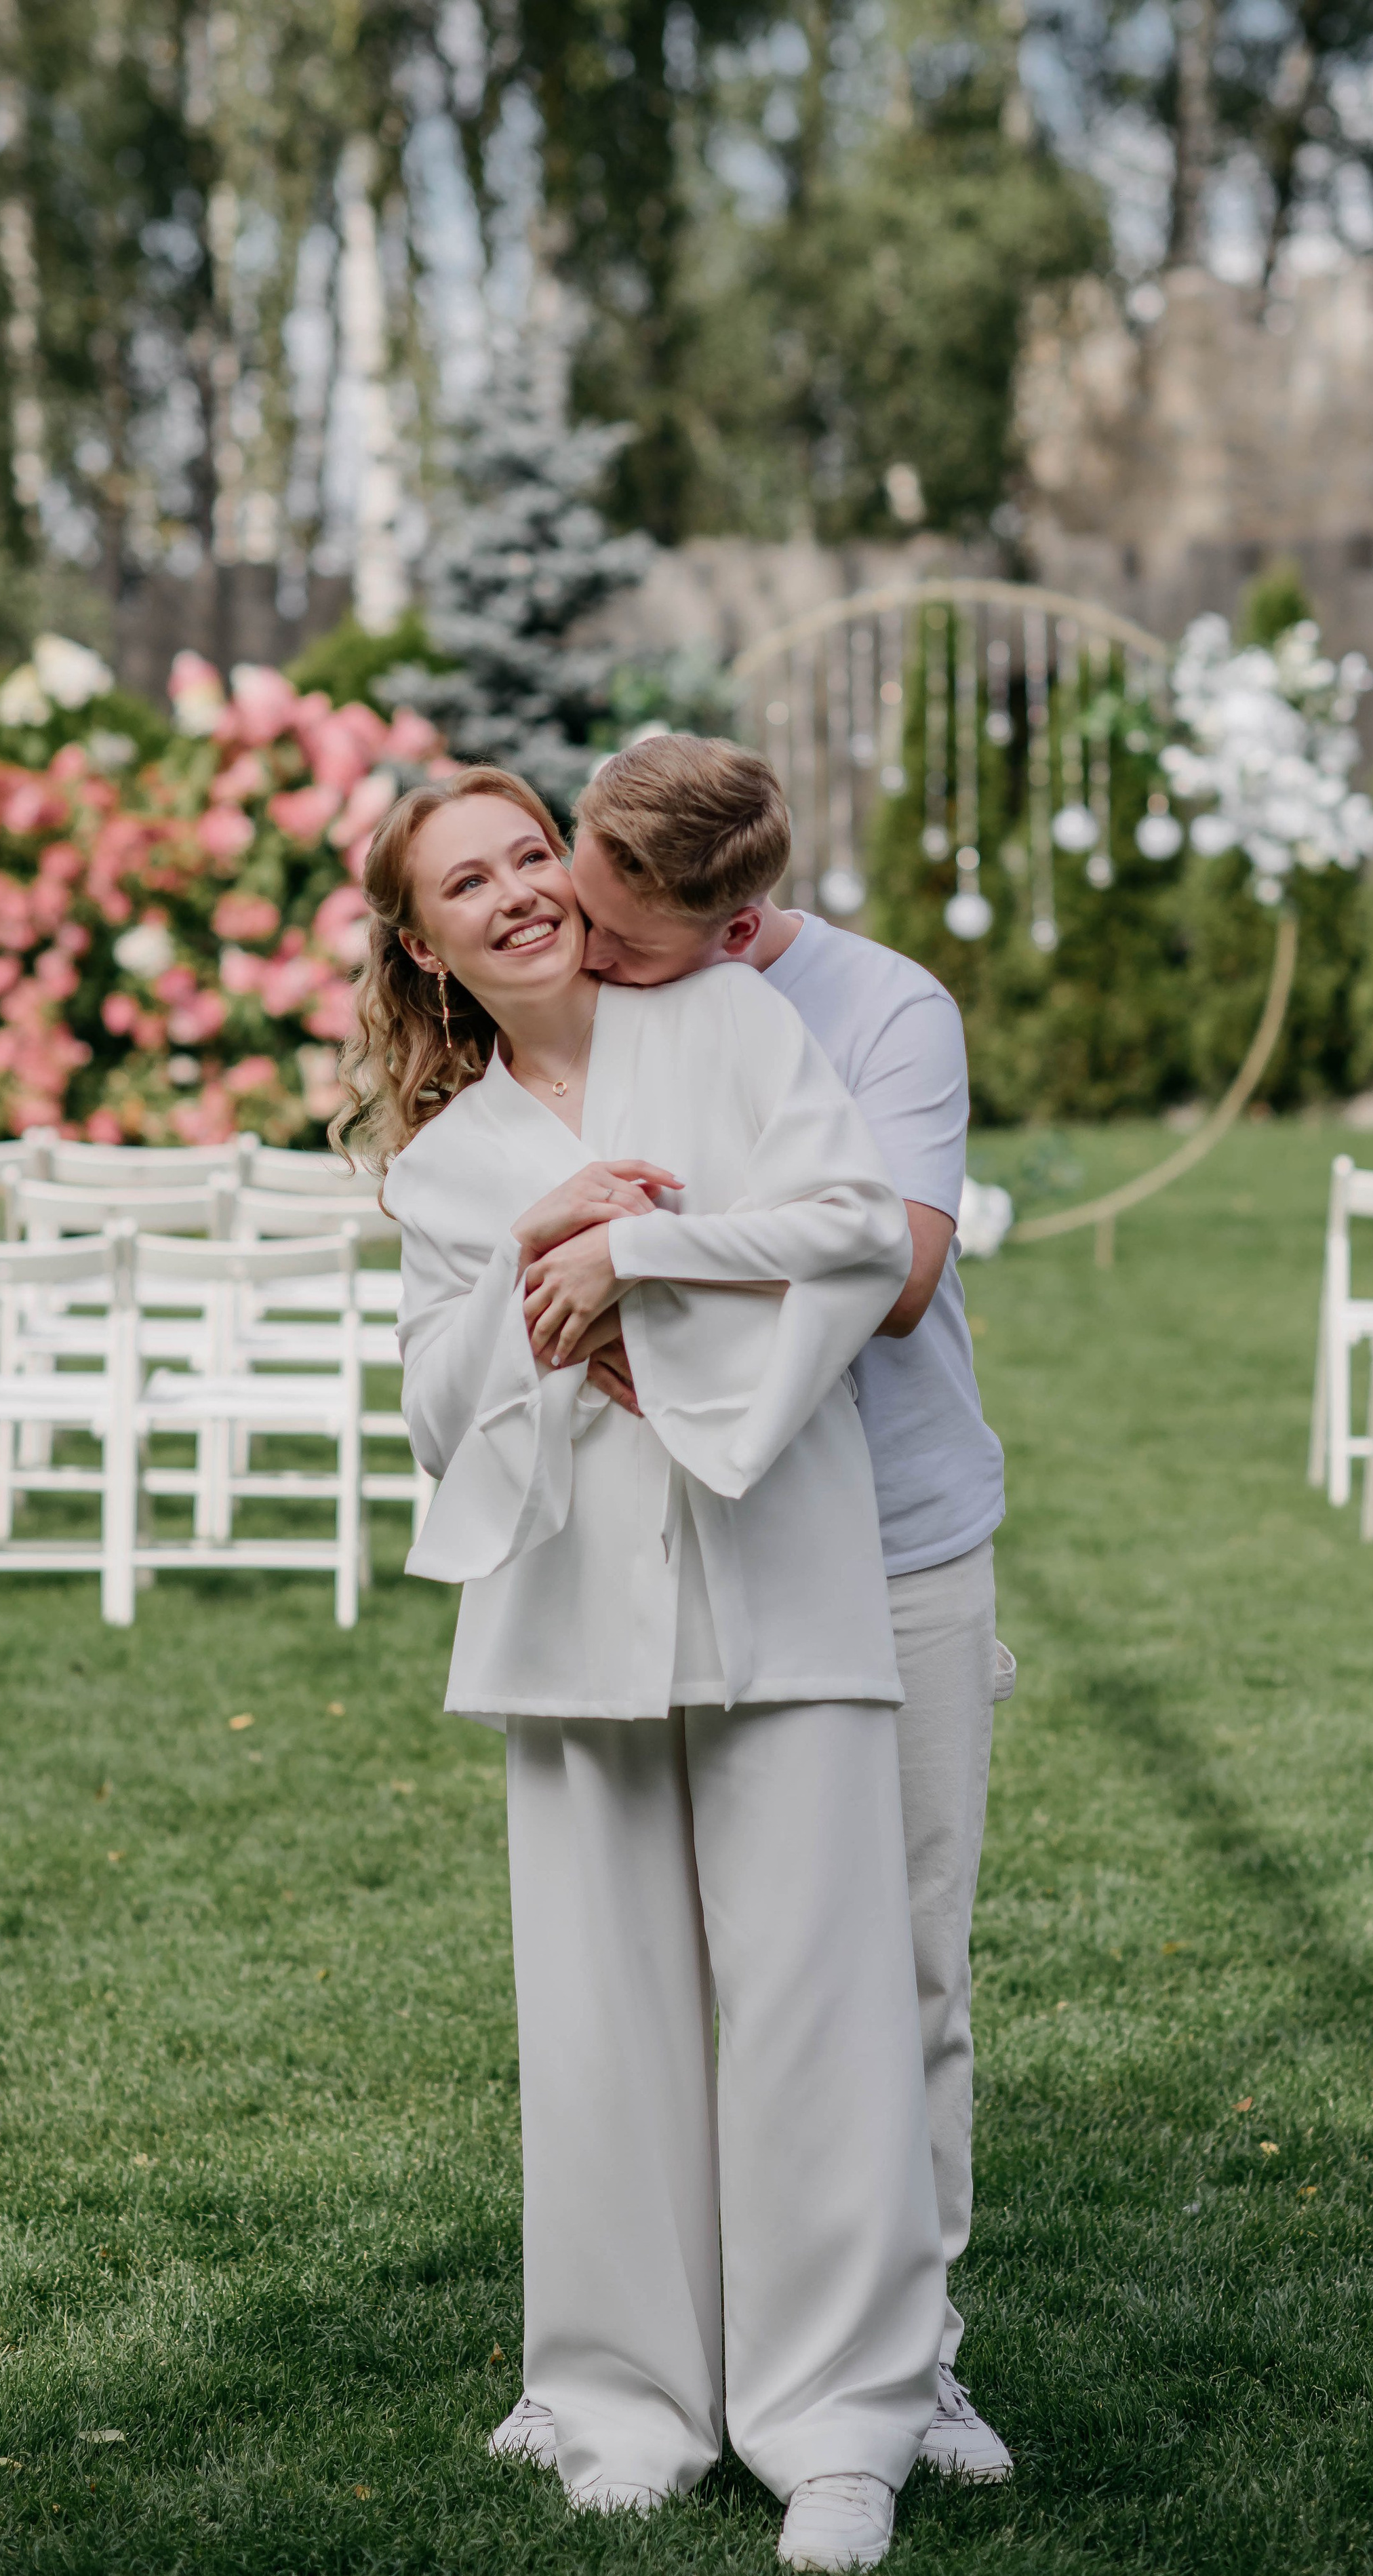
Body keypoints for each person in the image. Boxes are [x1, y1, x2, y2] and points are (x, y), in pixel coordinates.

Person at [341, 764, 946, 2572]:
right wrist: (541, 1253)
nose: (518, 892)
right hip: (569, 1623)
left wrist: (640, 1260)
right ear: (424, 948)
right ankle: (625, 2406)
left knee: (822, 2016)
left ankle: (839, 2426)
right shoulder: (447, 1166)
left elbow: (860, 1232)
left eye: (532, 852)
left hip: (782, 1574)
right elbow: (438, 1415)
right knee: (600, 2030)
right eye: (467, 883)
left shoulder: (732, 1024)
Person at [561, 732, 1014, 2483]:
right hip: (682, 1536)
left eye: (626, 941)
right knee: (673, 1968)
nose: (591, 959)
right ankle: (672, 2366)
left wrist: (643, 1254)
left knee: (903, 1964)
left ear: (737, 928)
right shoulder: (599, 989)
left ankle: (911, 2361)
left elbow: (896, 1275)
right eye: (584, 917)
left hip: (895, 1541)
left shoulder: (887, 1010)